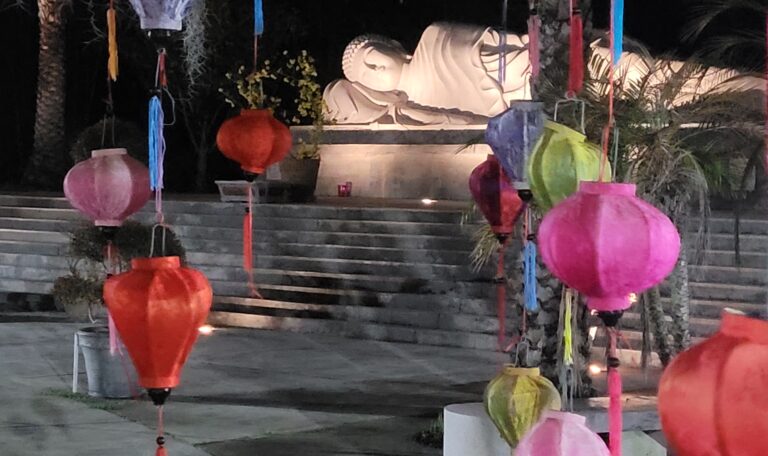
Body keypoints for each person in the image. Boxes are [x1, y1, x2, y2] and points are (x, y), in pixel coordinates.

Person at [324, 22, 763, 126]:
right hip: (557, 112)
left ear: (393, 46)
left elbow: (509, 48)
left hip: (571, 73)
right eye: (368, 73)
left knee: (673, 81)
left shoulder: (435, 38)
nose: (377, 68)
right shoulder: (412, 111)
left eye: (374, 56)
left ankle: (756, 90)